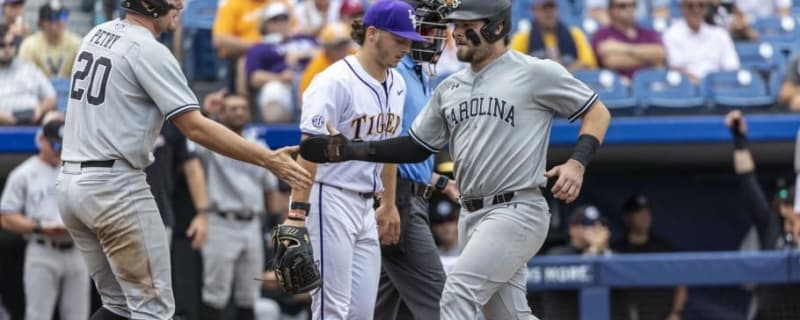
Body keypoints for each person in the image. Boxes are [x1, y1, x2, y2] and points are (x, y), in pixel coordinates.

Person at [298, 0, 612, 318]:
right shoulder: (450, 86)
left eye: (466, 26)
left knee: (455, 298)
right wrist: (354, 150)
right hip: (471, 214)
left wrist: (577, 162)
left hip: (517, 208)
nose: (455, 34)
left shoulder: (534, 72)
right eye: (455, 26)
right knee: (508, 315)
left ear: (497, 27)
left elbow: (596, 111)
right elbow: (415, 146)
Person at [55, 0, 312, 317]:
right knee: (154, 310)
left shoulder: (98, 33)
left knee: (119, 307)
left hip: (71, 184)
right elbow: (194, 127)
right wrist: (267, 158)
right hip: (115, 187)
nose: (180, 5)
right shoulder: (149, 49)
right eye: (174, 0)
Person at [289, 1, 425, 319]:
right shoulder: (333, 81)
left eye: (409, 41)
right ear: (373, 33)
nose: (406, 47)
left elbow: (389, 148)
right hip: (329, 197)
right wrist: (297, 214)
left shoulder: (398, 84)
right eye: (400, 39)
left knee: (362, 313)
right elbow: (309, 151)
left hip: (366, 206)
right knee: (331, 309)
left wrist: (388, 204)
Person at [374, 1, 457, 320]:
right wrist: (390, 203)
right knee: (444, 304)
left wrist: (440, 182)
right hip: (400, 203)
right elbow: (383, 144)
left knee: (380, 308)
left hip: (412, 196)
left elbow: (410, 154)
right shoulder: (393, 73)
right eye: (424, 30)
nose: (432, 38)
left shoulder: (420, 75)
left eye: (438, 31)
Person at [196, 93, 280, 320]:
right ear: (222, 113)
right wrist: (207, 114)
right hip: (221, 220)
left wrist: (274, 225)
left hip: (252, 222)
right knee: (215, 293)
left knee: (249, 294)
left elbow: (270, 189)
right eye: (233, 108)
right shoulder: (211, 143)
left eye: (243, 108)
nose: (239, 112)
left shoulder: (257, 145)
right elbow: (193, 136)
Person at [0, 115, 90, 320]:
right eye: (55, 145)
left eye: (63, 145)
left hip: (76, 248)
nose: (59, 151)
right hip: (42, 248)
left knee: (78, 315)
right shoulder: (23, 173)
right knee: (38, 314)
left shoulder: (76, 169)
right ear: (41, 140)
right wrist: (39, 227)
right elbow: (6, 217)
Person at [725, 110, 800, 319]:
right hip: (769, 313)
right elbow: (748, 182)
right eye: (788, 204)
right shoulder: (771, 224)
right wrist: (739, 140)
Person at [613, 194, 687, 320]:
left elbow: (681, 284)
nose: (644, 216)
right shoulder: (617, 250)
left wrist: (676, 312)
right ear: (627, 217)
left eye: (647, 211)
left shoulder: (663, 248)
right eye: (638, 212)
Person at [245, 2, 317, 123]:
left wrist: (302, 54)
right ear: (265, 24)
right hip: (282, 84)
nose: (280, 23)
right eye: (274, 20)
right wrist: (279, 77)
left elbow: (326, 52)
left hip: (313, 79)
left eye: (284, 18)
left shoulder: (305, 39)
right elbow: (254, 77)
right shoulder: (260, 48)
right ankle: (279, 135)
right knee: (274, 91)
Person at [509, 0, 597, 72]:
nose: (549, 14)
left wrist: (561, 72)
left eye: (552, 9)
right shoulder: (523, 37)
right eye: (544, 10)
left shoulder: (574, 34)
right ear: (534, 12)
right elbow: (513, 67)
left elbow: (588, 64)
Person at [663, 0, 739, 82]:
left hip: (718, 87)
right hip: (686, 89)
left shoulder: (720, 35)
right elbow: (675, 68)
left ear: (706, 8)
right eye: (690, 6)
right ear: (682, 8)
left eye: (701, 5)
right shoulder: (671, 35)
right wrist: (703, 85)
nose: (696, 10)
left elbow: (732, 68)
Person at [590, 0, 665, 80]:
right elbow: (611, 61)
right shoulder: (602, 34)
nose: (629, 9)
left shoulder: (648, 32)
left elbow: (660, 53)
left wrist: (620, 48)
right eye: (622, 6)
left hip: (649, 84)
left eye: (633, 5)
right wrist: (650, 60)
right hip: (618, 86)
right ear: (611, 10)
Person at [0, 23, 57, 126]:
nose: (8, 49)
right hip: (3, 124)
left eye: (11, 44)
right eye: (2, 45)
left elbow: (51, 98)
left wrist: (40, 109)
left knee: (54, 118)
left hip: (33, 120)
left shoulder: (29, 68)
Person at [18, 1, 81, 79]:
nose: (59, 21)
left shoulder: (76, 44)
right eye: (53, 17)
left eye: (63, 16)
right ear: (42, 22)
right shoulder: (29, 45)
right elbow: (27, 78)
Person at [298, 22, 354, 98]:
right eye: (337, 46)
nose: (342, 50)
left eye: (345, 44)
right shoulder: (316, 67)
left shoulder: (356, 56)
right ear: (327, 49)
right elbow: (306, 98)